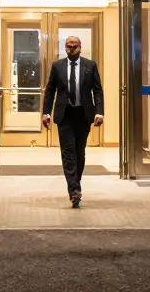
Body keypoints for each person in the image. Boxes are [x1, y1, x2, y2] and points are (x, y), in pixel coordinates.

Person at [41, 36, 104, 208]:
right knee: (68, 153)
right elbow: (50, 90)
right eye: (68, 47)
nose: (71, 49)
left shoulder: (90, 66)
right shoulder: (57, 66)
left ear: (80, 47)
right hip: (65, 114)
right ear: (65, 48)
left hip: (83, 114)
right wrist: (46, 112)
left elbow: (97, 91)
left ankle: (75, 182)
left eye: (74, 46)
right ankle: (74, 190)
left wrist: (99, 112)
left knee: (79, 152)